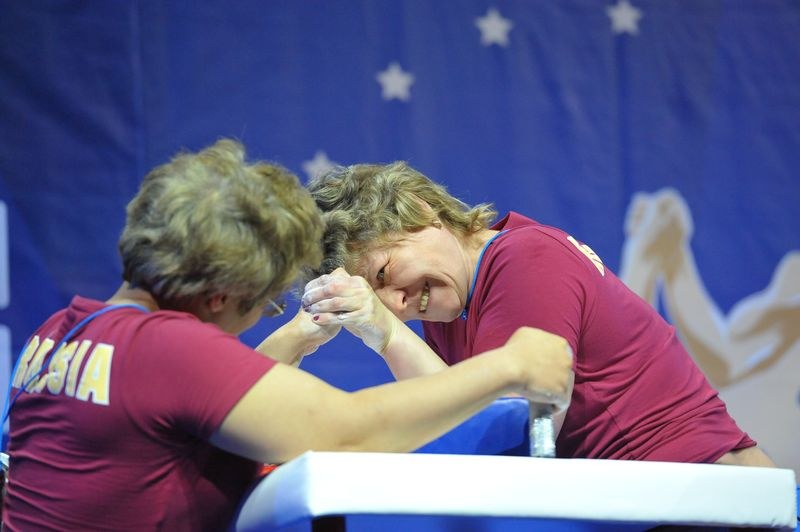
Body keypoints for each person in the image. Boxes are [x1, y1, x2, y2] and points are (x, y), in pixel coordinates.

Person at [1, 141, 574, 531]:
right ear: (220, 296)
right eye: (265, 302)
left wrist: (300, 334)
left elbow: (208, 407)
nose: (261, 317)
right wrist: (509, 366)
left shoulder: (65, 330)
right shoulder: (166, 349)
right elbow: (349, 433)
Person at [303, 161, 775, 467]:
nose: (396, 306)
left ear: (421, 212)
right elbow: (452, 428)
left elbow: (514, 434)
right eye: (377, 300)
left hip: (710, 500)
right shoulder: (448, 309)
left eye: (384, 273)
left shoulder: (524, 259)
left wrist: (387, 336)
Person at [619, 187, 799, 473]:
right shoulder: (792, 280)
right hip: (727, 479)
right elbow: (725, 362)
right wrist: (667, 251)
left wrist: (647, 256)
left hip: (765, 485)